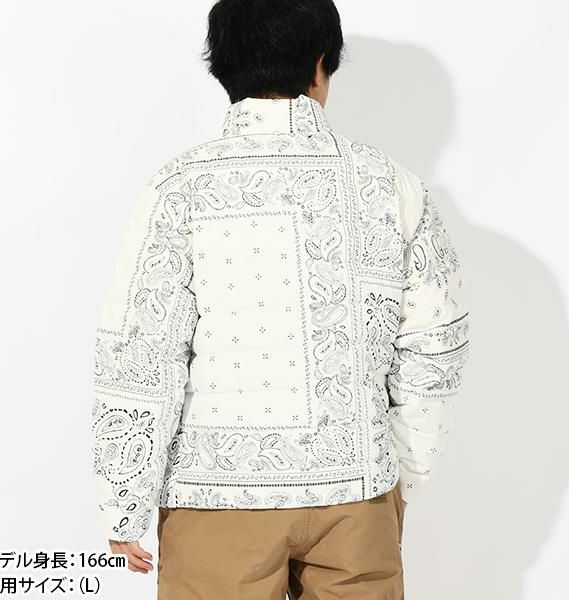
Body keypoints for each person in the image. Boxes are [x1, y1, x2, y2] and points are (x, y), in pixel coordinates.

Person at [90, 0, 471, 597]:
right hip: (357, 499)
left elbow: (140, 352)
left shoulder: (180, 187)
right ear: (322, 65)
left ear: (222, 67)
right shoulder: (392, 185)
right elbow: (437, 347)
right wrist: (400, 476)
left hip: (217, 500)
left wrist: (124, 501)